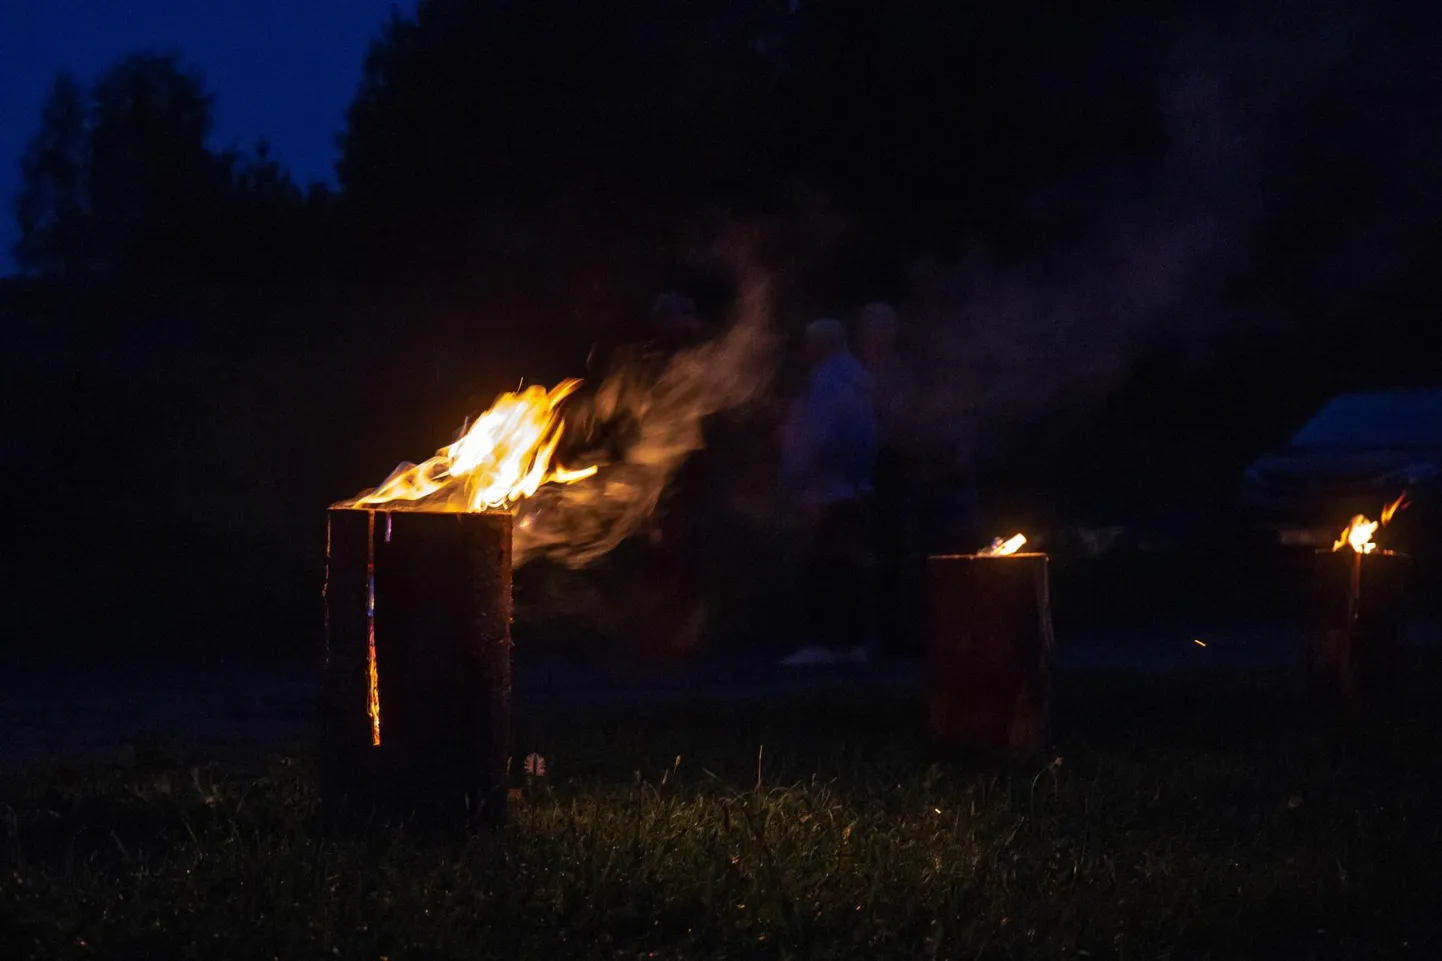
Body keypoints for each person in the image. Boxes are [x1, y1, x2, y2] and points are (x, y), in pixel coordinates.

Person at [778, 318, 879, 666]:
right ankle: (853, 641)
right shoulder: (860, 379)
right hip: (854, 486)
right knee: (847, 567)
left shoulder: (825, 382)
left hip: (824, 490)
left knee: (823, 566)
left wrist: (797, 476)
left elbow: (817, 438)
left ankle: (823, 642)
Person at [854, 301, 921, 657]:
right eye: (879, 327)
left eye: (889, 327)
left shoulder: (895, 370)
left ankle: (896, 631)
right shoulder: (858, 372)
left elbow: (907, 412)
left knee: (896, 552)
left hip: (893, 465)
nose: (886, 334)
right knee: (873, 555)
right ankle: (873, 633)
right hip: (866, 467)